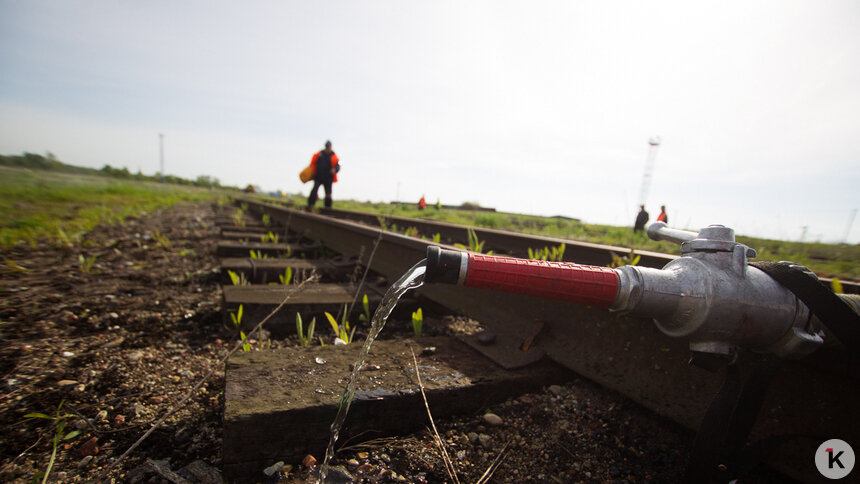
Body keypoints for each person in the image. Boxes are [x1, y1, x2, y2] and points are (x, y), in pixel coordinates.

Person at [307, 140, 340, 208]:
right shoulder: (319, 154)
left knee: (328, 193)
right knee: (314, 190)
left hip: (328, 178)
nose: (327, 148)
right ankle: (310, 205)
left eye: (329, 147)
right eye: (327, 147)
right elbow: (312, 164)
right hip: (318, 176)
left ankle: (327, 208)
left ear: (331, 147)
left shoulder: (334, 156)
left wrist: (335, 170)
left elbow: (338, 166)